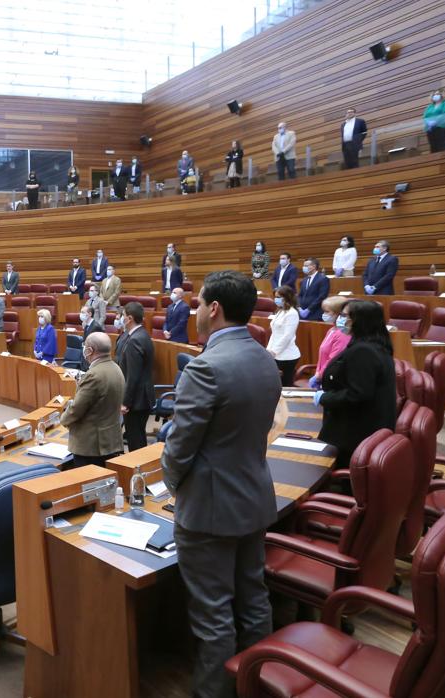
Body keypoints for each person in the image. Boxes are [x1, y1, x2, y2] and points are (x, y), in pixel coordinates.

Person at [161, 270, 281, 698]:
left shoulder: (205, 367)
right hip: (254, 498)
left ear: (214, 309)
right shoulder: (266, 359)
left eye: (198, 304)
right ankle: (257, 686)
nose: (194, 312)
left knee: (213, 618)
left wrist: (172, 484)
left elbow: (179, 449)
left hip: (209, 511)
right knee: (253, 600)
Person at [315, 300, 397, 467]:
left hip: (357, 436)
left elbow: (358, 394)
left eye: (345, 316)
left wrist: (324, 398)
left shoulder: (363, 351)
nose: (340, 319)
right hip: (363, 430)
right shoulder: (372, 345)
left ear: (360, 320)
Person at [61, 331, 126, 469]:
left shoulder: (93, 375)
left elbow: (76, 410)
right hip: (110, 440)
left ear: (90, 350)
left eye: (85, 346)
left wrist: (63, 419)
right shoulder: (116, 368)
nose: (83, 348)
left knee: (90, 486)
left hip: (90, 446)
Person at [115, 301, 155, 453]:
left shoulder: (135, 340)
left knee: (136, 441)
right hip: (139, 398)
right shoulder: (139, 334)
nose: (120, 318)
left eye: (123, 316)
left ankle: (137, 473)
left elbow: (133, 375)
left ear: (129, 318)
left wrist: (125, 402)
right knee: (137, 437)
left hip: (137, 400)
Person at [308, 296, 352, 390]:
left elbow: (333, 360)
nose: (324, 314)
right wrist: (317, 373)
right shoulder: (332, 330)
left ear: (338, 314)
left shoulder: (343, 334)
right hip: (323, 376)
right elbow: (323, 356)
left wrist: (319, 376)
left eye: (327, 312)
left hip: (332, 378)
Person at [268, 285, 301, 386]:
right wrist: (269, 350)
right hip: (276, 353)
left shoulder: (292, 313)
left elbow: (287, 336)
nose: (276, 299)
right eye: (275, 297)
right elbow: (274, 333)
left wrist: (274, 351)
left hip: (287, 356)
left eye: (278, 297)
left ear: (287, 297)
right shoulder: (280, 311)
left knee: (285, 385)